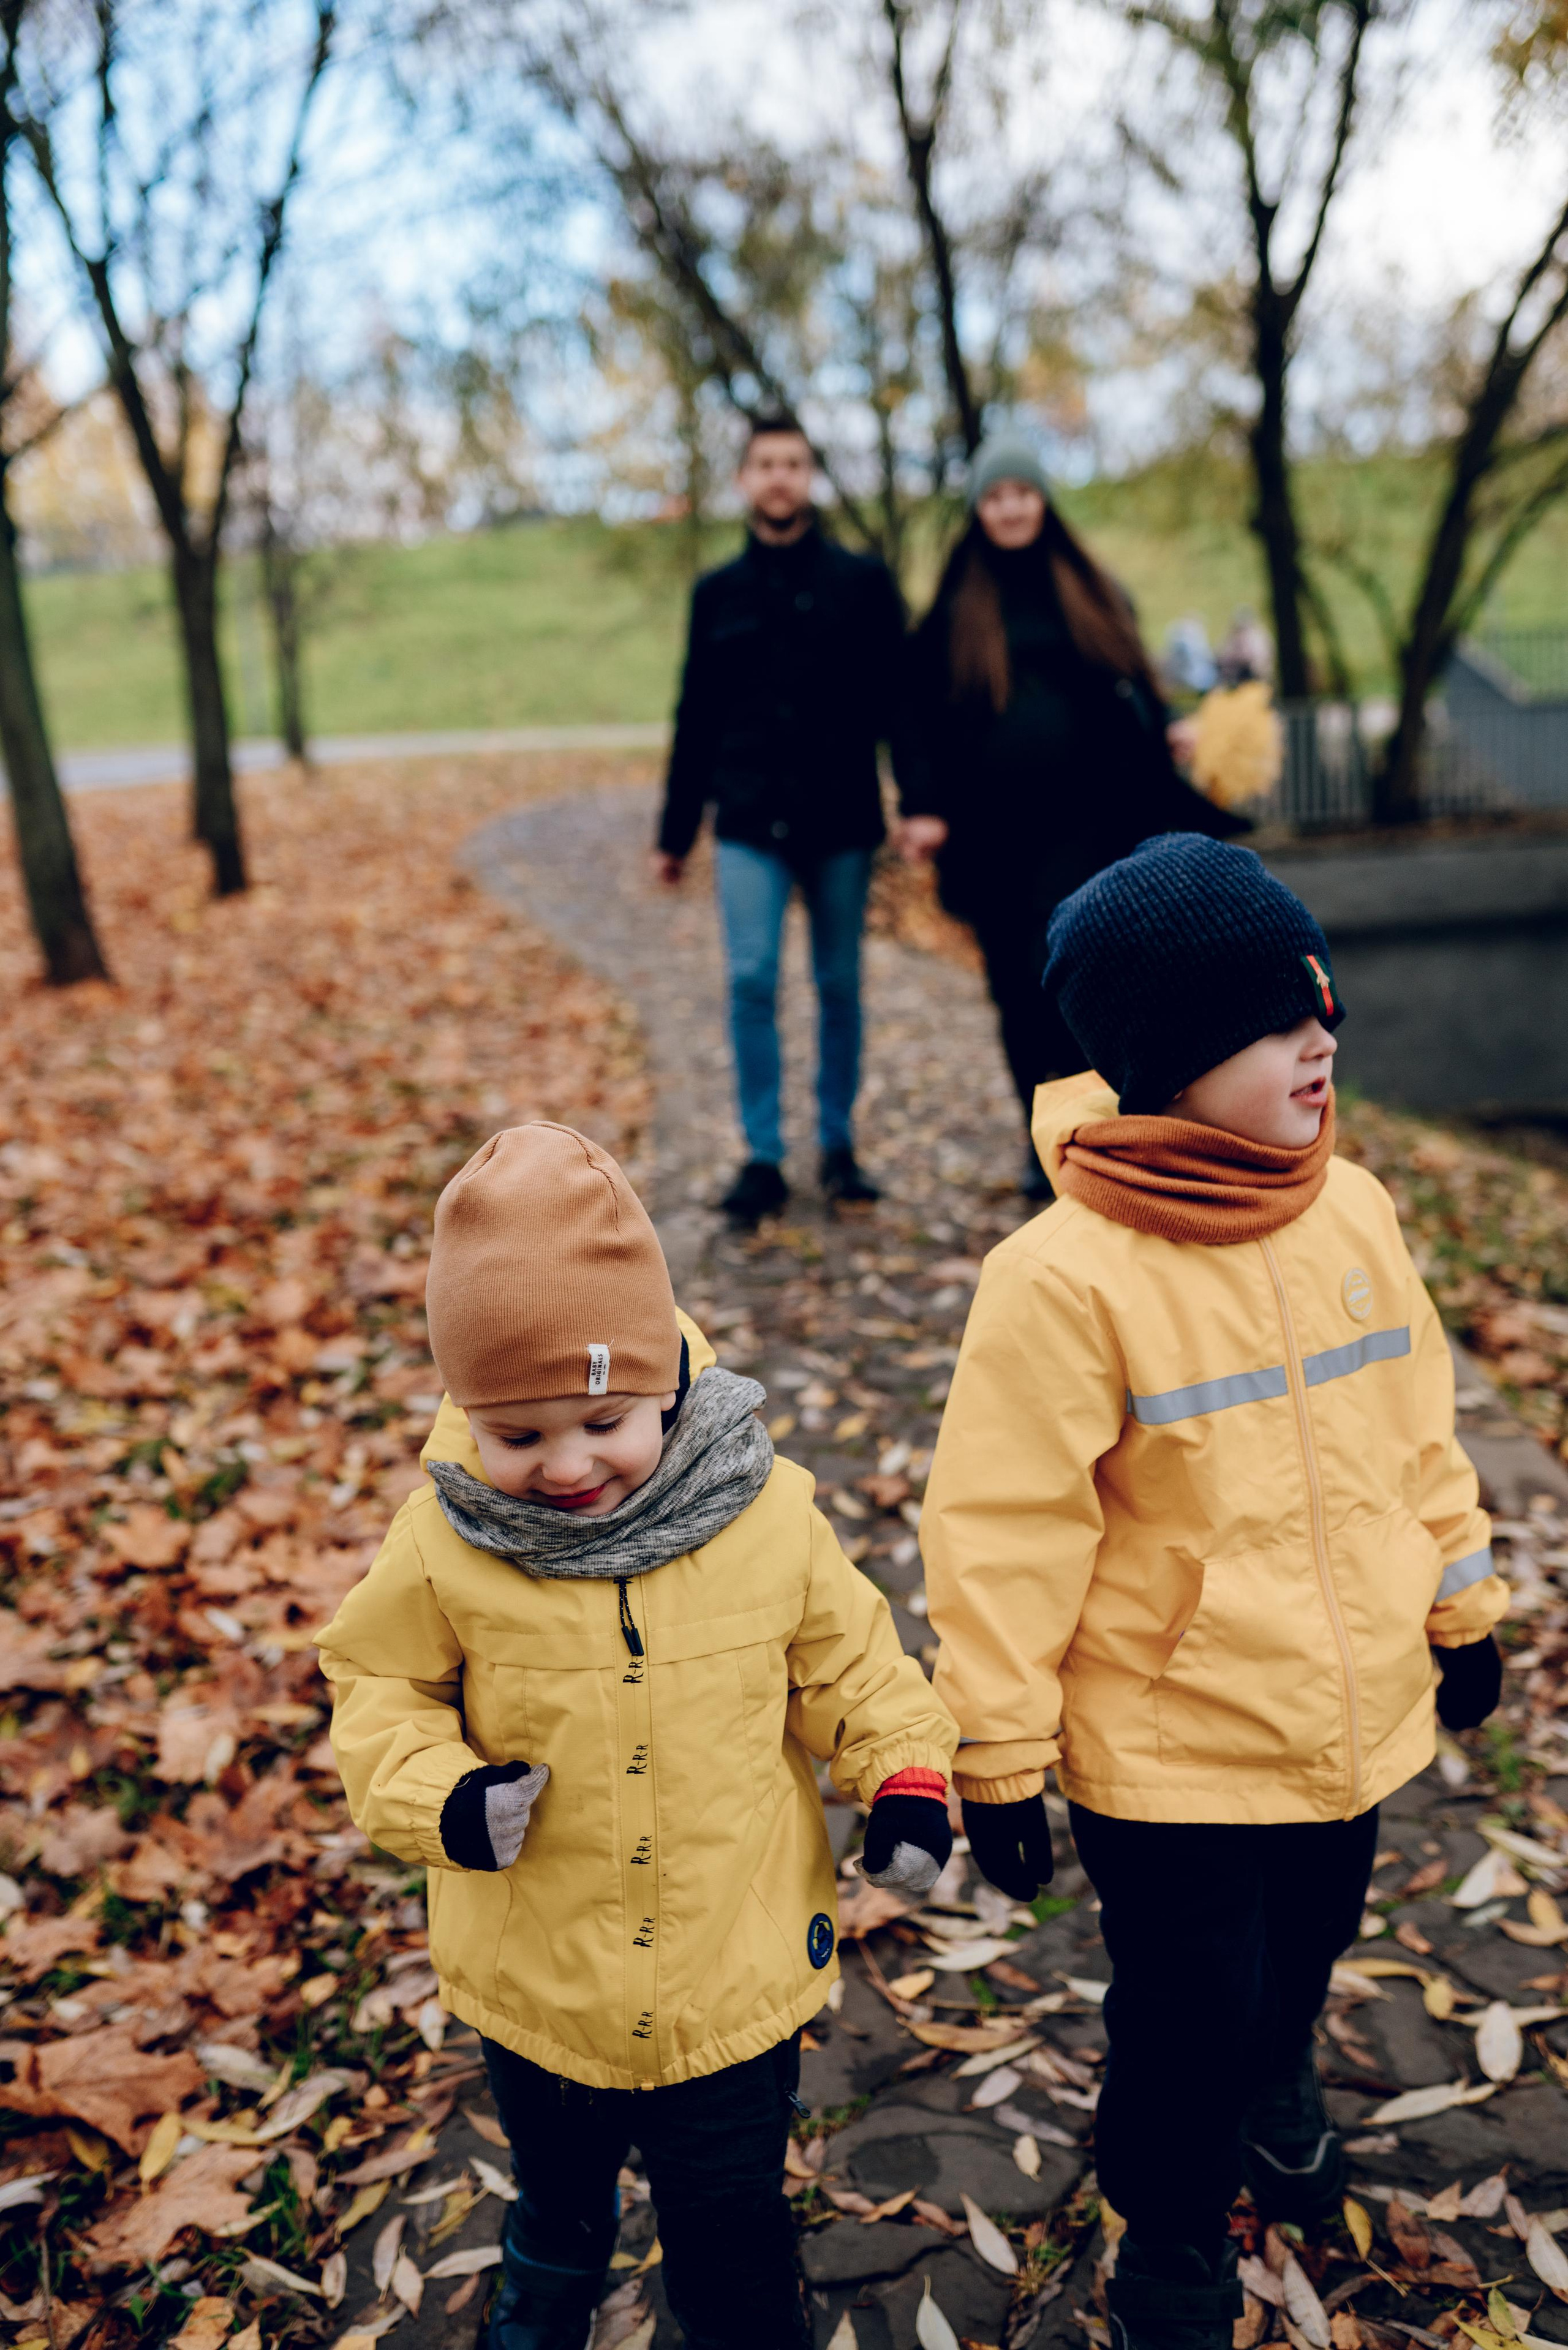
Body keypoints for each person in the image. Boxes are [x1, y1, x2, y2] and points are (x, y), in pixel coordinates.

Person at [919, 835, 1507, 2350]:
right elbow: (1001, 1529)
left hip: (1348, 1712)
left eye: (1320, 999)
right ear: (1168, 1056)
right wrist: (993, 1748)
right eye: (1273, 1018)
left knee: (1298, 1953)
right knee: (1180, 2011)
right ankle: (1168, 2221)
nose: (1322, 1034)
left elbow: (1416, 1432)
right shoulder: (1063, 1279)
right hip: (1170, 1749)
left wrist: (1459, 1600)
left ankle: (1280, 2068)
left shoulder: (1352, 1213)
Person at [316, 1122, 956, 2350]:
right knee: (559, 2185)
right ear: (467, 1415)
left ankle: (739, 2316)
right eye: (518, 1435)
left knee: (728, 2214)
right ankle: (550, 2267)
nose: (566, 1466)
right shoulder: (444, 1541)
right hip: (538, 1976)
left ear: (664, 1379)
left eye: (603, 1420)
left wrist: (906, 1778)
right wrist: (441, 1795)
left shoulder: (764, 1514)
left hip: (729, 1968)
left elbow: (852, 1663)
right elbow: (376, 1682)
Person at [898, 434, 1246, 1198]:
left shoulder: (1092, 590)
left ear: (1042, 501)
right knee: (1017, 986)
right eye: (995, 497)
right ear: (979, 509)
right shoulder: (957, 607)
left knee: (1081, 972)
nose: (1010, 507)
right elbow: (915, 715)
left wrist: (1168, 734)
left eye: (1021, 493)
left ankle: (1094, 1126)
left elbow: (1131, 689)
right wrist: (921, 805)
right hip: (994, 835)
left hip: (1090, 827)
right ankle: (1041, 1134)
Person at [654, 413, 921, 1228]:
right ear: (744, 479)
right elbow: (693, 714)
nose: (779, 477)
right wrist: (674, 832)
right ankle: (763, 1156)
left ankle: (838, 1147)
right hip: (747, 820)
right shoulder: (717, 595)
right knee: (750, 980)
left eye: (794, 464)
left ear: (810, 477)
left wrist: (918, 799)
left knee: (840, 984)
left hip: (841, 820)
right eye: (765, 464)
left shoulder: (863, 584)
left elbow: (899, 704)